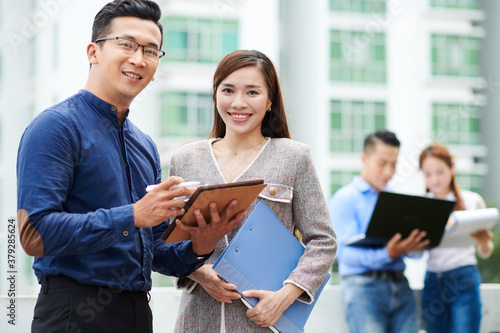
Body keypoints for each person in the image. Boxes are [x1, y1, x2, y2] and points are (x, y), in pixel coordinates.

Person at [16, 1, 246, 332]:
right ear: (93, 52)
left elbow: (156, 253)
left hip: (138, 313)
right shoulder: (56, 127)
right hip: (73, 313)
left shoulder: (144, 146)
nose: (139, 59)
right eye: (126, 45)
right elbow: (33, 234)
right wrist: (133, 215)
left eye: (151, 51)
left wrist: (202, 243)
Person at [168, 49, 337, 332]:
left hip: (263, 323)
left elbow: (323, 240)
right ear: (215, 95)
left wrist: (285, 296)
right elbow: (167, 240)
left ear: (270, 100)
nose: (238, 103)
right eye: (228, 90)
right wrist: (199, 273)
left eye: (252, 92)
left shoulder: (294, 157)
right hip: (198, 320)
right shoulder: (186, 159)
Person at [328, 130, 429, 333]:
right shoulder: (344, 199)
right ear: (364, 159)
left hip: (402, 286)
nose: (388, 171)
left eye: (394, 164)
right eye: (382, 163)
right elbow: (345, 255)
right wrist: (388, 254)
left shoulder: (396, 199)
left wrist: (415, 245)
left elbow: (415, 256)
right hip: (364, 290)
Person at [419, 143, 494, 333]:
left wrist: (484, 241)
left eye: (440, 172)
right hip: (433, 281)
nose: (434, 179)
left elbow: (485, 253)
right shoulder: (421, 205)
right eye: (428, 174)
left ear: (452, 169)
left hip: (464, 278)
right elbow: (416, 254)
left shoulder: (472, 201)